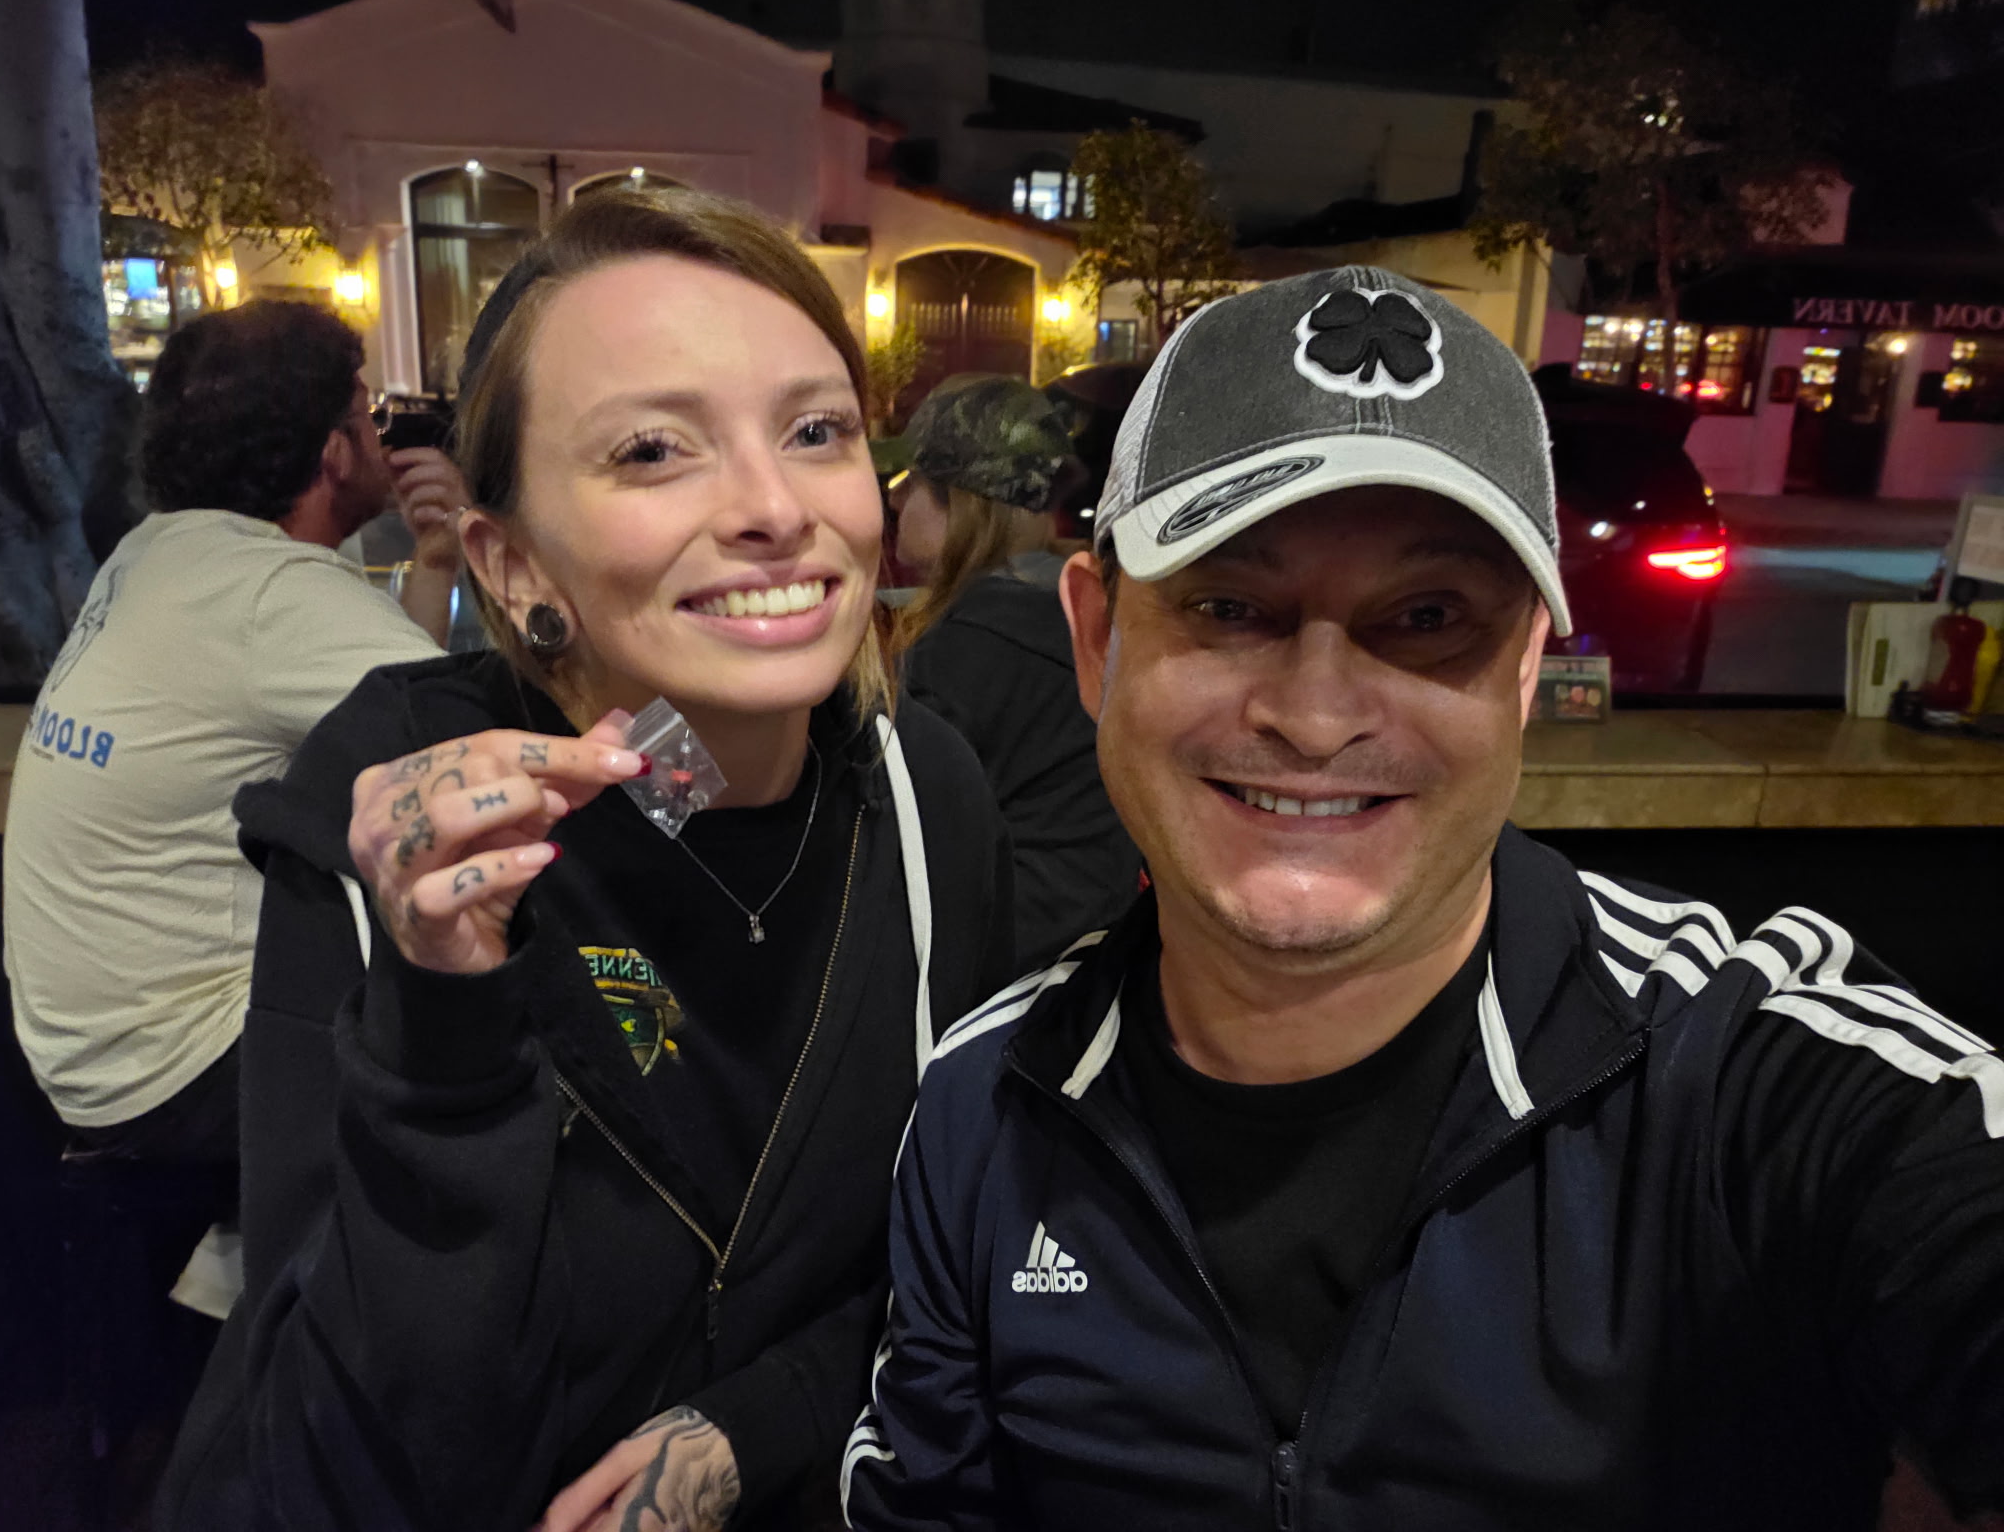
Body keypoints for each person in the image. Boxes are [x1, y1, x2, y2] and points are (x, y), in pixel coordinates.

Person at [842, 269, 2004, 1529]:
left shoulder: (1744, 1082)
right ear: (1093, 639)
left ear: (1522, 673)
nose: (1317, 713)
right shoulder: (985, 1108)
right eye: (1230, 606)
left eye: (1429, 617)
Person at [157, 189, 1014, 1532]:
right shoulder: (399, 823)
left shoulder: (924, 800)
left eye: (816, 431)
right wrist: (443, 1015)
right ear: (507, 562)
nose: (776, 506)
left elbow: (965, 1255)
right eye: (656, 449)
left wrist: (761, 1423)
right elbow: (341, 1458)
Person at [2, 300, 458, 1168]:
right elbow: (471, 745)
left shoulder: (157, 552)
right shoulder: (268, 593)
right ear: (334, 451)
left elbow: (396, 721)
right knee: (506, 1009)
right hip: (185, 1079)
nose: (380, 428)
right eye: (367, 411)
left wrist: (434, 564)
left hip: (87, 1066)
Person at [887, 374, 1140, 971]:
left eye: (913, 481)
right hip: (1100, 952)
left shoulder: (964, 647)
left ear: (960, 500)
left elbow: (896, 842)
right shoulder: (1083, 612)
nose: (895, 499)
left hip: (995, 965)